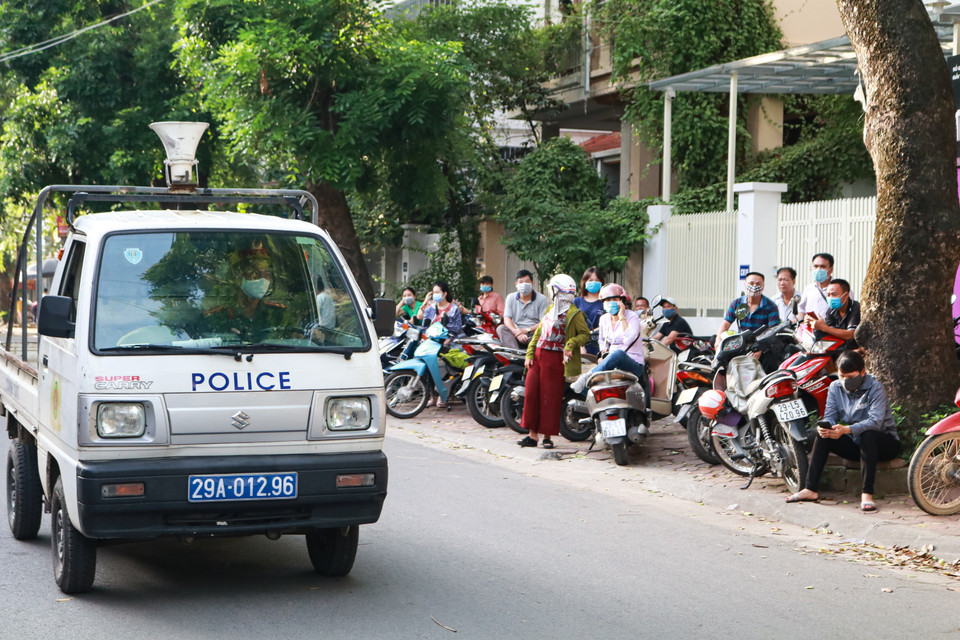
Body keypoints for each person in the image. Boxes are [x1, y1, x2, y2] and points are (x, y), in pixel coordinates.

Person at [786, 351, 899, 512]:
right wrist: (827, 427)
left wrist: (847, 430)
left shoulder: (875, 387)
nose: (846, 381)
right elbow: (830, 416)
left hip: (883, 443)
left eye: (850, 377)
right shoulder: (835, 387)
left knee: (868, 435)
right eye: (842, 376)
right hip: (856, 444)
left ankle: (867, 493)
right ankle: (810, 489)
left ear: (862, 372)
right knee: (822, 434)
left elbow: (876, 422)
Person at [518, 274, 591, 449]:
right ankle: (532, 435)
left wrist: (571, 343)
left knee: (550, 397)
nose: (552, 292)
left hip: (556, 359)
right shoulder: (551, 308)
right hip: (538, 355)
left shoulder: (574, 313)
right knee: (531, 394)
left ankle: (547, 437)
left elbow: (585, 334)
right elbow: (539, 333)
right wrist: (529, 354)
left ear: (559, 290)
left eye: (554, 289)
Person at [570, 283, 651, 405]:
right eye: (607, 300)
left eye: (614, 299)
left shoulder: (632, 317)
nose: (611, 302)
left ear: (622, 301)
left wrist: (622, 316)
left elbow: (629, 338)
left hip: (633, 363)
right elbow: (602, 340)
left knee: (618, 354)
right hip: (611, 362)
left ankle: (586, 377)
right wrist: (603, 353)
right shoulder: (604, 319)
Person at [204, 241, 289, 340]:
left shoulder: (280, 315)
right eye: (255, 274)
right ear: (238, 277)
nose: (263, 280)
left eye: (267, 274)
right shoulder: (218, 317)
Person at [713, 272, 781, 349]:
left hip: (762, 346)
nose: (754, 286)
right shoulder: (737, 304)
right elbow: (726, 324)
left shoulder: (771, 306)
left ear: (763, 286)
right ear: (745, 285)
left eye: (758, 284)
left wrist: (761, 348)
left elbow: (773, 331)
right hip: (741, 344)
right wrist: (718, 340)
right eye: (751, 283)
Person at [497, 269, 549, 349]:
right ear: (516, 284)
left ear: (532, 283)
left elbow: (543, 322)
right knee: (501, 328)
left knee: (544, 334)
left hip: (533, 335)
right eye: (521, 282)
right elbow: (507, 318)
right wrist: (517, 333)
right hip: (516, 333)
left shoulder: (542, 299)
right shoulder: (510, 297)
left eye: (527, 282)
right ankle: (514, 354)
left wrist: (526, 330)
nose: (524, 284)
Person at [805, 278, 860, 349]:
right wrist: (815, 324)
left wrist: (823, 327)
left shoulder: (856, 308)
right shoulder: (831, 310)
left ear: (846, 295)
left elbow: (851, 334)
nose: (830, 298)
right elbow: (829, 331)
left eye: (834, 294)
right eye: (828, 295)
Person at [573, 267, 605, 356]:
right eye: (590, 280)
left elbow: (609, 323)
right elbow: (572, 325)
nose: (593, 283)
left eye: (597, 280)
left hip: (599, 344)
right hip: (580, 345)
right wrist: (580, 345)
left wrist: (591, 332)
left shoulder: (606, 302)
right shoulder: (577, 301)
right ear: (584, 282)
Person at [798, 252, 835, 320]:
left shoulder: (840, 288)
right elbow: (801, 310)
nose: (818, 269)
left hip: (832, 329)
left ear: (831, 269)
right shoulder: (809, 289)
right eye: (816, 266)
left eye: (822, 266)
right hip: (811, 329)